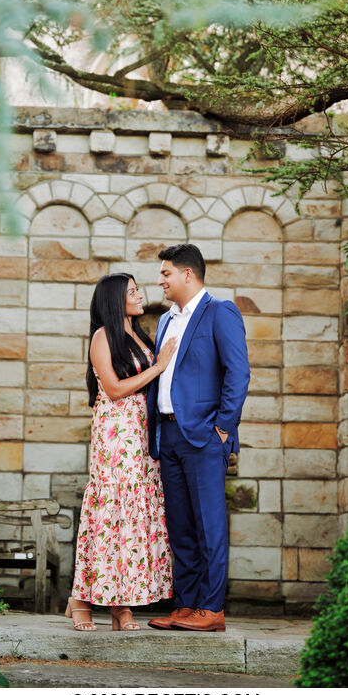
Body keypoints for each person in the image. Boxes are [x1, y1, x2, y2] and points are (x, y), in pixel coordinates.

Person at [146, 244, 250, 633]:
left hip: (205, 436)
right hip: (168, 435)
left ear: (188, 274)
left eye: (166, 273)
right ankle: (186, 605)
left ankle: (211, 607)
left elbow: (237, 374)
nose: (160, 280)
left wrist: (222, 429)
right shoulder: (165, 321)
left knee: (209, 526)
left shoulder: (219, 312)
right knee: (181, 527)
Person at [66, 272, 178, 632]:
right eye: (132, 291)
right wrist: (159, 365)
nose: (140, 294)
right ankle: (81, 600)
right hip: (116, 436)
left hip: (141, 435)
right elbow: (113, 389)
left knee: (133, 519)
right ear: (116, 300)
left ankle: (121, 605)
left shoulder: (139, 335)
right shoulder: (103, 336)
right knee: (112, 513)